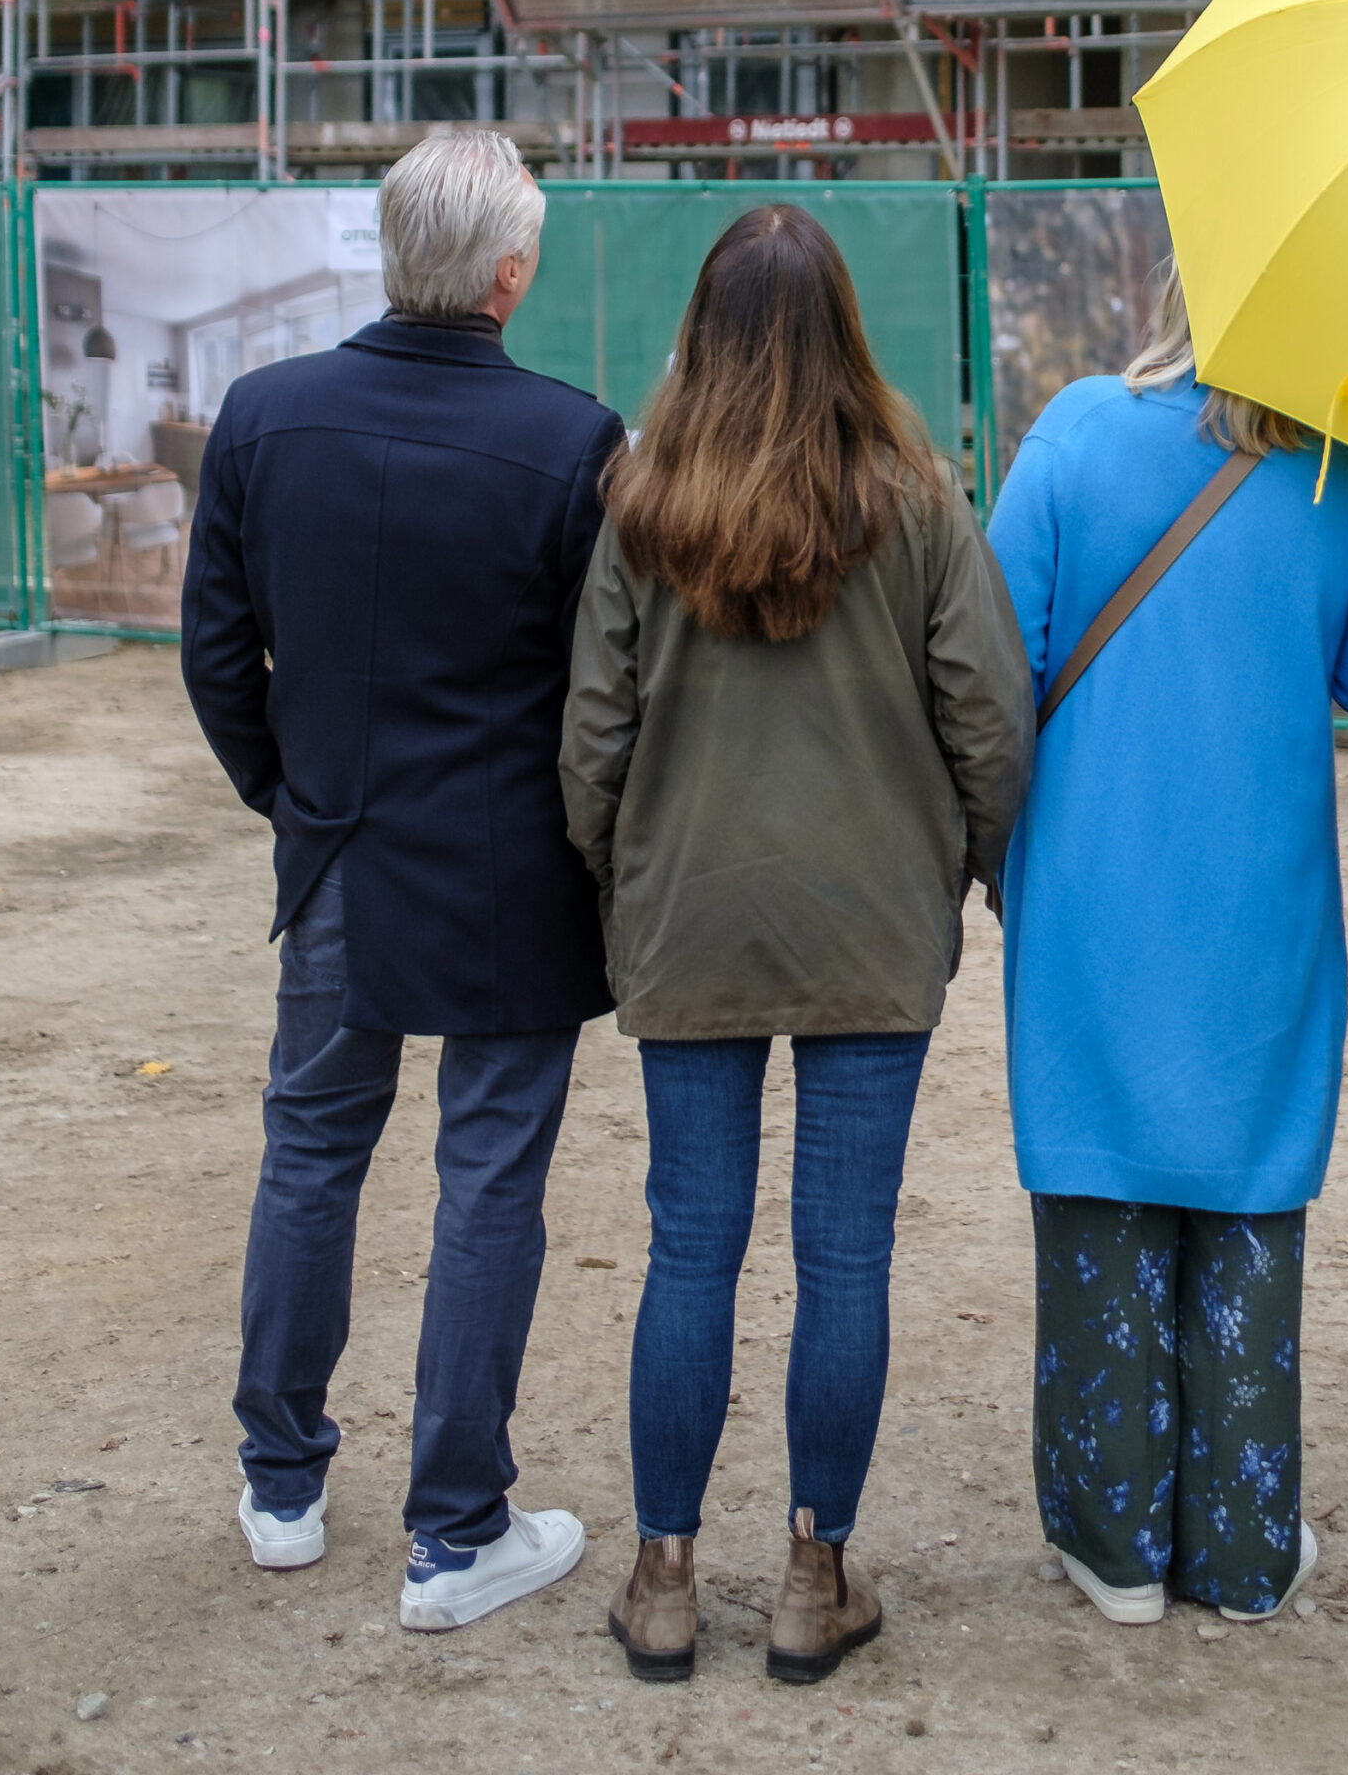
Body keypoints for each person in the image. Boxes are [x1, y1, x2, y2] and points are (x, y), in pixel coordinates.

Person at [560, 202, 1031, 1688]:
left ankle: (662, 1577)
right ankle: (816, 1582)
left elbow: (592, 738)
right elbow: (990, 725)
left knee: (688, 1246)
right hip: (872, 925)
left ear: (702, 334)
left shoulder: (641, 507)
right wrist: (963, 869)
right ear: (844, 329)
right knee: (844, 1258)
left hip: (690, 917)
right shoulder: (918, 501)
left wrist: (622, 880)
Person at [181, 125, 623, 1631]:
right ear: (511, 271)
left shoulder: (260, 418)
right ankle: (456, 1529)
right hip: (511, 870)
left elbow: (215, 652)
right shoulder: (574, 442)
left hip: (343, 855)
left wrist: (291, 800)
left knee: (311, 1151)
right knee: (487, 1183)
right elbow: (597, 688)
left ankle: (282, 1483)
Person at [983, 261, 1348, 1628]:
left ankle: (1116, 1542)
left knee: (1102, 1205)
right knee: (1251, 1206)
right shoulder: (1338, 475)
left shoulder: (1077, 432)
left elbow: (990, 661)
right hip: (1260, 901)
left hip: (1094, 891)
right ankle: (1248, 1546)